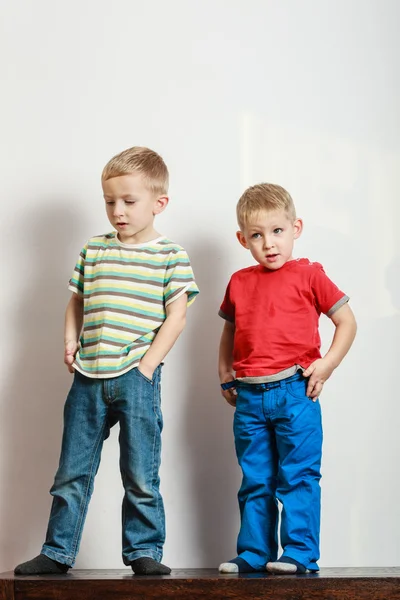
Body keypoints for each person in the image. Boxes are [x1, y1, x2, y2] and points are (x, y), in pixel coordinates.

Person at [15, 146, 199, 576]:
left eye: (129, 202)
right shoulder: (93, 250)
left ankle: (143, 552)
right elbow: (76, 301)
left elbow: (178, 315)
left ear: (159, 203)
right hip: (88, 376)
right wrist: (69, 340)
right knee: (72, 471)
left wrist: (148, 366)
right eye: (109, 201)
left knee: (140, 473)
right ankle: (58, 551)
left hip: (136, 376)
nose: (118, 210)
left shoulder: (169, 255)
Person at [218, 183, 356, 574]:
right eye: (257, 236)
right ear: (243, 239)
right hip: (249, 396)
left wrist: (326, 364)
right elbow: (230, 329)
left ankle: (298, 554)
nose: (269, 243)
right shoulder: (239, 281)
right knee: (256, 478)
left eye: (277, 231)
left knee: (297, 477)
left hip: (296, 391)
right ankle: (253, 553)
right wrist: (224, 370)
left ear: (296, 227)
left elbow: (346, 321)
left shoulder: (310, 274)